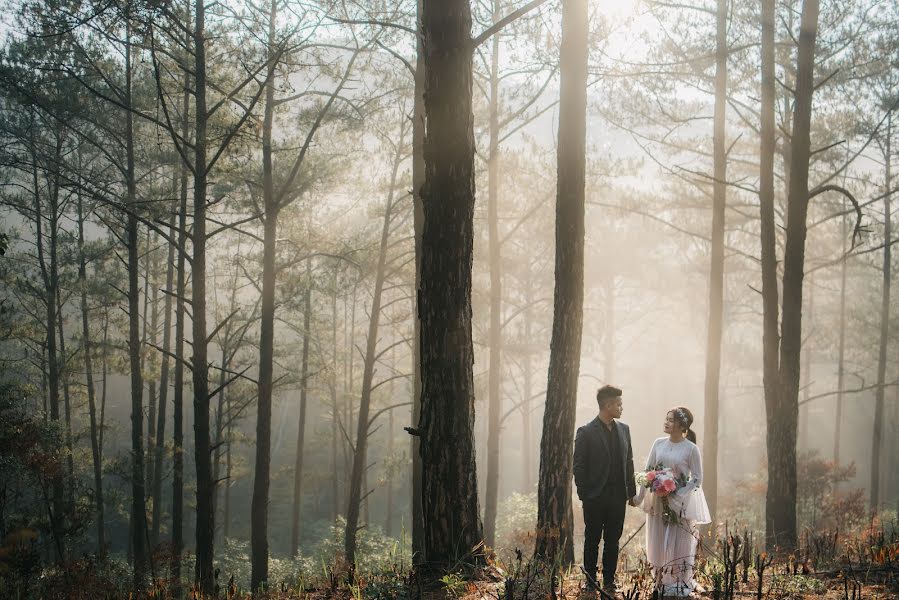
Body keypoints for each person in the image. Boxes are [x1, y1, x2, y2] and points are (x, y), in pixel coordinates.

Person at [633, 407, 711, 598]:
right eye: (666, 419)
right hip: (658, 502)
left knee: (679, 541)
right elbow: (648, 471)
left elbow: (697, 478)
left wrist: (677, 492)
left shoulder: (691, 449)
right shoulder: (658, 443)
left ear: (682, 425)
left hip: (681, 503)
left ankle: (678, 581)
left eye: (670, 420)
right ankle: (659, 579)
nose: (666, 422)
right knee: (658, 540)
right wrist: (639, 497)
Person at [573, 385, 637, 595]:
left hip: (618, 497)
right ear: (608, 405)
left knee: (613, 540)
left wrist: (631, 492)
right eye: (618, 404)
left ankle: (609, 581)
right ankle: (590, 582)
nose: (621, 407)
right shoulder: (585, 431)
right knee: (592, 540)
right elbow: (579, 466)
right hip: (594, 498)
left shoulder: (624, 429)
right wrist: (585, 495)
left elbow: (629, 461)